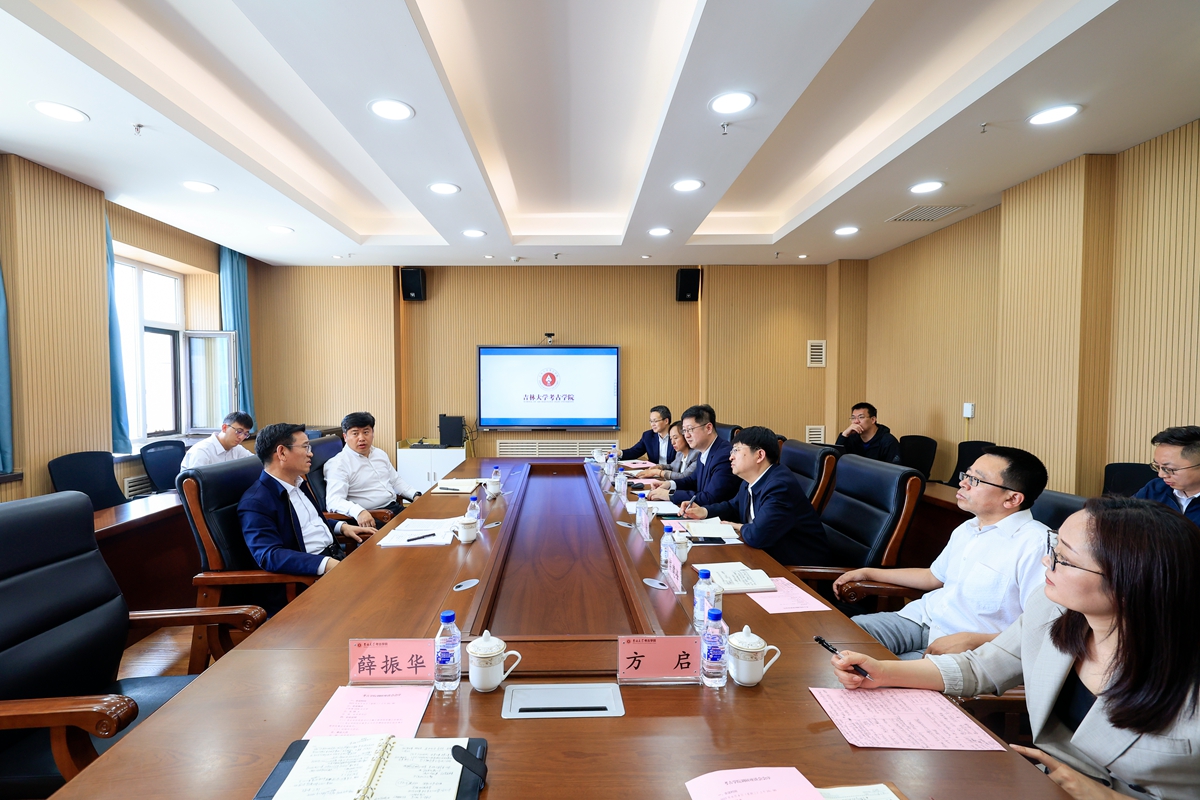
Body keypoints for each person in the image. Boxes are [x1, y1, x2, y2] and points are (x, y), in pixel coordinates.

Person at [830, 497, 1200, 800]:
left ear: (1131, 583)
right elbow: (983, 666)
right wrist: (884, 672)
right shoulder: (1052, 607)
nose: (1046, 561)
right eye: (1055, 547)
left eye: (1065, 559)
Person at [833, 446, 1048, 659]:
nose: (963, 483)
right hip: (924, 620)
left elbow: (1041, 628)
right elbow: (933, 577)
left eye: (976, 480)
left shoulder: (1037, 546)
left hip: (969, 650)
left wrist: (974, 640)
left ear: (1012, 499)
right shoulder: (969, 527)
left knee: (869, 671)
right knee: (839, 637)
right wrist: (869, 573)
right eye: (967, 475)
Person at [238, 423, 373, 576]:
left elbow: (304, 522)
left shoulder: (298, 483)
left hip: (334, 559)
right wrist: (326, 564)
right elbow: (269, 555)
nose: (311, 454)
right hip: (309, 575)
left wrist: (341, 527)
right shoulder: (255, 502)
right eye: (305, 447)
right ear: (282, 453)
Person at [681, 426, 829, 566]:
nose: (730, 457)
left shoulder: (779, 487)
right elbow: (734, 506)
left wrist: (739, 527)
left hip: (797, 569)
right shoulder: (751, 480)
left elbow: (757, 536)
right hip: (764, 555)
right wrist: (704, 511)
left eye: (736, 450)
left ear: (759, 455)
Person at [324, 411, 419, 528]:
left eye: (366, 432)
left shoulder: (379, 454)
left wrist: (415, 494)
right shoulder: (338, 464)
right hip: (372, 516)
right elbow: (334, 501)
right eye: (355, 433)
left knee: (428, 523)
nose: (361, 438)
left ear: (372, 433)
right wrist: (359, 511)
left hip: (394, 509)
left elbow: (395, 481)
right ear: (345, 437)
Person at [648, 404, 739, 506]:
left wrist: (669, 495)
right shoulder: (703, 451)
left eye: (690, 429)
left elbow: (710, 498)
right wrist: (669, 484)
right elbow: (693, 480)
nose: (686, 435)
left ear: (708, 428)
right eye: (684, 430)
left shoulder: (724, 456)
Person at [1133, 425, 1200, 526]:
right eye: (1157, 466)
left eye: (1169, 469)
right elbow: (1124, 516)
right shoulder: (1155, 488)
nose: (1161, 475)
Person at [181, 411, 256, 468]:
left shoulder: (237, 449)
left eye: (245, 434)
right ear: (224, 428)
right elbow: (196, 482)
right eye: (239, 431)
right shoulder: (202, 451)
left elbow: (256, 463)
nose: (241, 437)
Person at [835, 402, 900, 464]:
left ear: (873, 420)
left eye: (861, 417)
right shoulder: (851, 438)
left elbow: (895, 468)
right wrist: (844, 435)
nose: (856, 421)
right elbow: (836, 458)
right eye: (853, 418)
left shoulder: (888, 441)